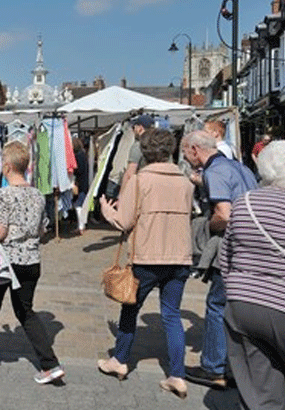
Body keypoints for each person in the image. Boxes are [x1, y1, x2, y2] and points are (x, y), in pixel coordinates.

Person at [221, 140, 285, 410]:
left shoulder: (244, 203)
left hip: (243, 306)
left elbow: (225, 257)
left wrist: (237, 291)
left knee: (260, 397)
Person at [98, 129, 194, 398]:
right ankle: (177, 375)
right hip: (180, 258)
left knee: (130, 310)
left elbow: (124, 221)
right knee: (172, 316)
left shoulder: (140, 181)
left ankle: (119, 360)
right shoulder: (185, 182)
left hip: (147, 257)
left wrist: (107, 210)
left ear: (145, 151)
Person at [0, 141, 66, 385]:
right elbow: (42, 229)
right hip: (31, 259)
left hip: (5, 261)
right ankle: (50, 363)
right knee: (25, 311)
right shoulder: (36, 195)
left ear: (8, 166)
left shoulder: (3, 195)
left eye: (2, 163)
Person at [181, 129, 257, 389]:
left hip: (232, 247)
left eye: (185, 153)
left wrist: (206, 227)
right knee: (238, 310)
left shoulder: (214, 172)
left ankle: (214, 368)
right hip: (252, 247)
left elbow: (224, 214)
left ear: (194, 150)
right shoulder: (240, 167)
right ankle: (237, 367)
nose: (186, 159)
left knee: (217, 305)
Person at [121, 114, 154, 186]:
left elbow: (130, 173)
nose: (133, 130)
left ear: (140, 128)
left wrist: (123, 194)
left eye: (134, 127)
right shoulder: (160, 145)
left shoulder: (138, 146)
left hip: (142, 185)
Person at [72, 137, 90, 234]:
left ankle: (81, 226)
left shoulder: (79, 156)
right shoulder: (82, 154)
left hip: (81, 183)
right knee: (81, 205)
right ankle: (81, 226)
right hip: (84, 182)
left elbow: (79, 170)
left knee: (78, 205)